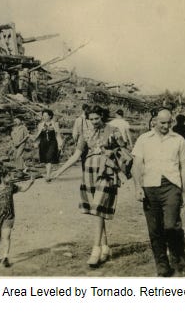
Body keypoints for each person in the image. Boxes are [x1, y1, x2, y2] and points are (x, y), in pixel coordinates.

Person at [52, 105, 126, 267]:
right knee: (96, 210)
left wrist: (112, 152)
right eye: (91, 119)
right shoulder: (85, 133)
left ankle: (96, 249)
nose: (93, 122)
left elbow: (124, 150)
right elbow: (76, 155)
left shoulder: (113, 130)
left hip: (107, 172)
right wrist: (58, 172)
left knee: (98, 208)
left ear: (103, 116)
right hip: (89, 173)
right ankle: (106, 247)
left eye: (96, 119)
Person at [132, 108, 185, 277]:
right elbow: (136, 166)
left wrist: (184, 191)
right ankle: (162, 265)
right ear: (154, 121)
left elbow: (184, 167)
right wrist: (137, 188)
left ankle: (178, 260)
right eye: (162, 122)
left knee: (171, 225)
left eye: (168, 122)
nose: (166, 126)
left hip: (172, 185)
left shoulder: (178, 140)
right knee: (155, 229)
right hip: (150, 187)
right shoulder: (144, 139)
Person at [0, 164, 35, 268]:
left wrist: (31, 183)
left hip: (9, 216)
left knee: (7, 236)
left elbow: (22, 189)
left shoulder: (11, 186)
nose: (11, 177)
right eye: (8, 176)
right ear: (2, 177)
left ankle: (5, 257)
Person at [34, 109, 64, 181]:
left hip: (52, 143)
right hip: (43, 143)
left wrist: (60, 144)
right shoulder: (40, 125)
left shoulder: (55, 124)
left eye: (46, 115)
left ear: (50, 116)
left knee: (49, 157)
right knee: (46, 159)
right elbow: (39, 135)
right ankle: (48, 173)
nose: (44, 117)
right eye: (43, 115)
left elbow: (58, 134)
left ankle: (48, 175)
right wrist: (36, 143)